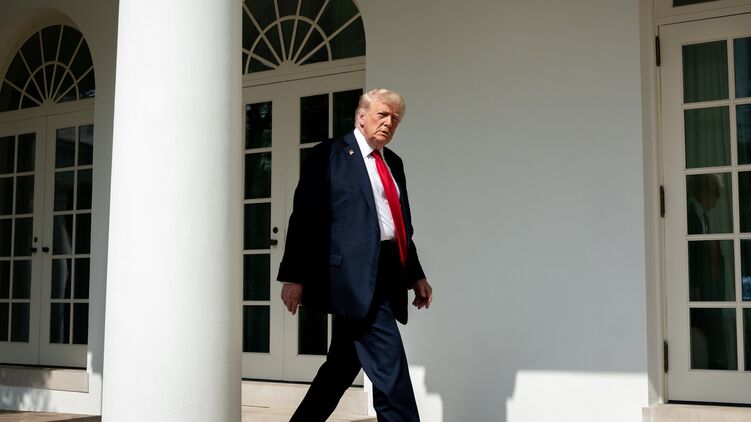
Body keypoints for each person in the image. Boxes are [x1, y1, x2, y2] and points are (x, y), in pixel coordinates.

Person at [277, 88, 433, 421]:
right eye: (382, 114)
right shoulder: (330, 154)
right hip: (351, 279)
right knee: (391, 373)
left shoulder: (393, 163)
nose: (389, 123)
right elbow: (304, 216)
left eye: (395, 118)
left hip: (389, 272)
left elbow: (399, 226)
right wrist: (294, 276)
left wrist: (416, 274)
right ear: (361, 116)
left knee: (339, 370)